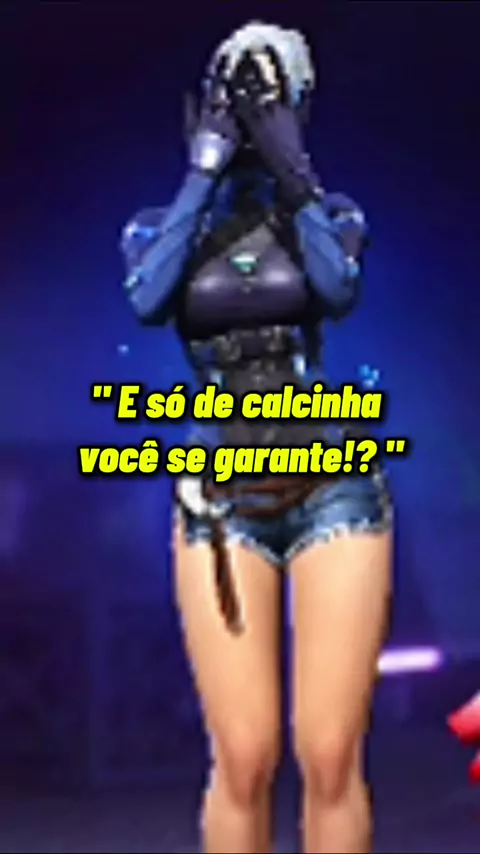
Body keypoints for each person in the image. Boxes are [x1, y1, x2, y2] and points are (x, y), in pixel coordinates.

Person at [121, 21, 393, 854]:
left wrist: (291, 165)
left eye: (265, 92)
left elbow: (337, 291)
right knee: (243, 756)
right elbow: (147, 299)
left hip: (331, 486)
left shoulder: (330, 215)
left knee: (329, 753)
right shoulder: (159, 228)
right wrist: (203, 168)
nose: (245, 109)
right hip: (221, 498)